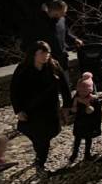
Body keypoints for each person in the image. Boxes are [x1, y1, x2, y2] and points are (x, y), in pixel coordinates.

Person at [10, 41, 72, 174]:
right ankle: (40, 161)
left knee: (47, 134)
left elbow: (65, 87)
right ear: (34, 54)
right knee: (39, 137)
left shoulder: (53, 66)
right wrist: (19, 110)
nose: (46, 56)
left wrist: (67, 105)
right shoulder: (23, 69)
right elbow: (14, 91)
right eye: (42, 53)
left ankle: (39, 157)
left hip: (50, 108)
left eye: (47, 53)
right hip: (32, 110)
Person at [36, 0, 82, 75]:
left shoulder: (62, 20)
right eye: (63, 12)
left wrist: (75, 39)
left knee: (65, 82)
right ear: (55, 11)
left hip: (63, 58)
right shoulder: (41, 23)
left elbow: (66, 34)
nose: (65, 14)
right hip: (49, 60)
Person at [69, 71, 102, 162]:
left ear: (90, 90)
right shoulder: (76, 98)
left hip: (89, 122)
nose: (83, 93)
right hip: (79, 121)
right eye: (81, 91)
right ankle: (74, 154)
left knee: (88, 139)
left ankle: (87, 154)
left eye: (85, 91)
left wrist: (89, 107)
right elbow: (72, 110)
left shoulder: (93, 99)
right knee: (77, 140)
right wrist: (74, 106)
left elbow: (97, 112)